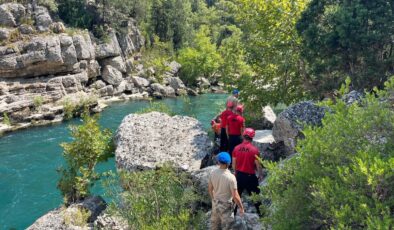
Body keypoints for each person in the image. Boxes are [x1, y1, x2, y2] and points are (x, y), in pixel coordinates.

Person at [208, 152, 244, 230]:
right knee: (227, 227)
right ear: (229, 163)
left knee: (214, 226)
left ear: (218, 162)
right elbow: (235, 196)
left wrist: (213, 199)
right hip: (226, 206)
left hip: (215, 203)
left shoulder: (212, 173)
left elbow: (210, 189)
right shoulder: (231, 178)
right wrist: (241, 207)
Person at [232, 128, 263, 216]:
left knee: (236, 197)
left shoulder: (236, 148)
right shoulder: (254, 150)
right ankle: (261, 215)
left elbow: (234, 164)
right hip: (250, 177)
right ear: (252, 137)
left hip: (239, 176)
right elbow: (258, 165)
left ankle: (232, 215)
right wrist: (260, 175)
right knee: (256, 197)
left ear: (243, 136)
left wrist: (235, 172)